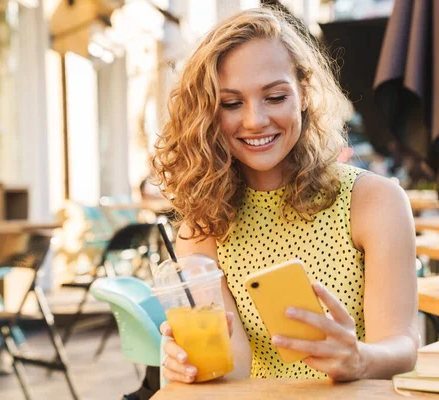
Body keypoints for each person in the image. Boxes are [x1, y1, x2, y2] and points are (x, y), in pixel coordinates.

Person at [151, 6, 418, 386]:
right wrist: (191, 363)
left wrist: (360, 359)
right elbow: (236, 370)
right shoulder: (203, 228)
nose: (255, 120)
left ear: (305, 93)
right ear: (209, 113)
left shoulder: (375, 201)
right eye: (231, 103)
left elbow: (403, 346)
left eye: (275, 97)